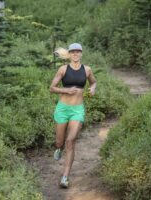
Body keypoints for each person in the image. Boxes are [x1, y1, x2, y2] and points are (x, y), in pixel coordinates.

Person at [49, 43, 97, 188]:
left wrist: (93, 88)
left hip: (77, 110)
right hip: (62, 109)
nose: (75, 54)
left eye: (78, 52)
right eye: (73, 52)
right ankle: (59, 147)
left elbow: (94, 82)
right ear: (69, 54)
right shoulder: (63, 69)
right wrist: (65, 91)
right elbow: (52, 88)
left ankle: (65, 177)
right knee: (60, 142)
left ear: (81, 53)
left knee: (71, 141)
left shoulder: (87, 70)